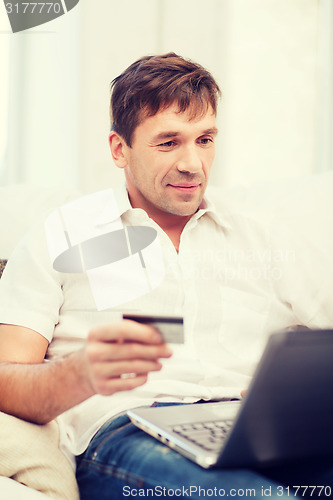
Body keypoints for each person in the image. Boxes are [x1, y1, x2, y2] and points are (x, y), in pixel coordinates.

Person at [0, 53, 332, 499]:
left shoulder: (263, 237)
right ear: (120, 149)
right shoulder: (61, 235)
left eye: (205, 139)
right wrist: (78, 374)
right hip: (128, 434)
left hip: (253, 431)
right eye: (169, 142)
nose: (193, 164)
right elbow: (5, 379)